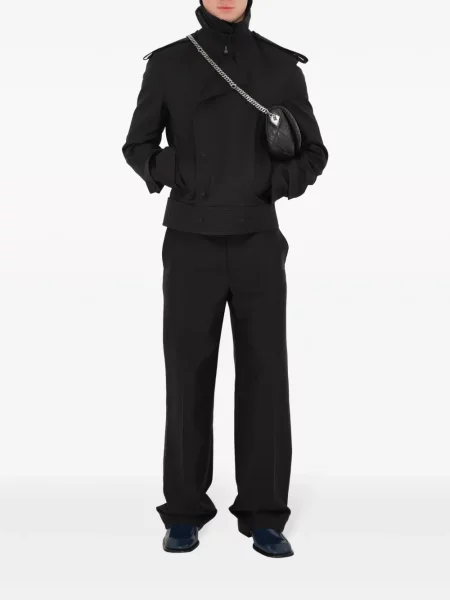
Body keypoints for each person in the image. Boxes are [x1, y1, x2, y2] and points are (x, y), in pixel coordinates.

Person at [122, 0, 328, 558]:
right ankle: (184, 511)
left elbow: (315, 152)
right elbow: (137, 146)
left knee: (265, 374)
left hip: (258, 238)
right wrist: (182, 172)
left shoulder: (280, 66)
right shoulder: (168, 63)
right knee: (188, 375)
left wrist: (271, 184)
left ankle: (264, 513)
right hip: (190, 240)